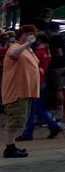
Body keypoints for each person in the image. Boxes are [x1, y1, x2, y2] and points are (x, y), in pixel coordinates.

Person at [3, 24, 41, 158]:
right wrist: (26, 44)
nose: (31, 36)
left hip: (27, 91)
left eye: (33, 33)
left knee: (19, 120)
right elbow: (13, 55)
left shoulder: (28, 50)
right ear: (21, 35)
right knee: (15, 120)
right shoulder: (15, 47)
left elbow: (36, 63)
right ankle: (9, 148)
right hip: (17, 91)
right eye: (28, 33)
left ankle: (12, 146)